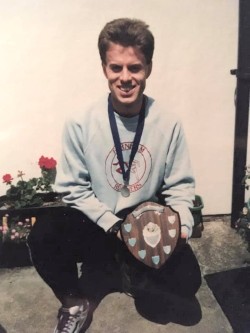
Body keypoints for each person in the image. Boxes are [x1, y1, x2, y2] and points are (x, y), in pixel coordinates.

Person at [28, 18, 201, 333]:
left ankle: (126, 271)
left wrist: (181, 227)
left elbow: (179, 188)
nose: (125, 78)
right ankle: (75, 301)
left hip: (146, 226)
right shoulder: (81, 122)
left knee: (189, 284)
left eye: (134, 68)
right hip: (100, 224)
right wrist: (114, 226)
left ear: (148, 67)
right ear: (104, 67)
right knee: (43, 234)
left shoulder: (168, 122)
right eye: (115, 68)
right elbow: (72, 189)